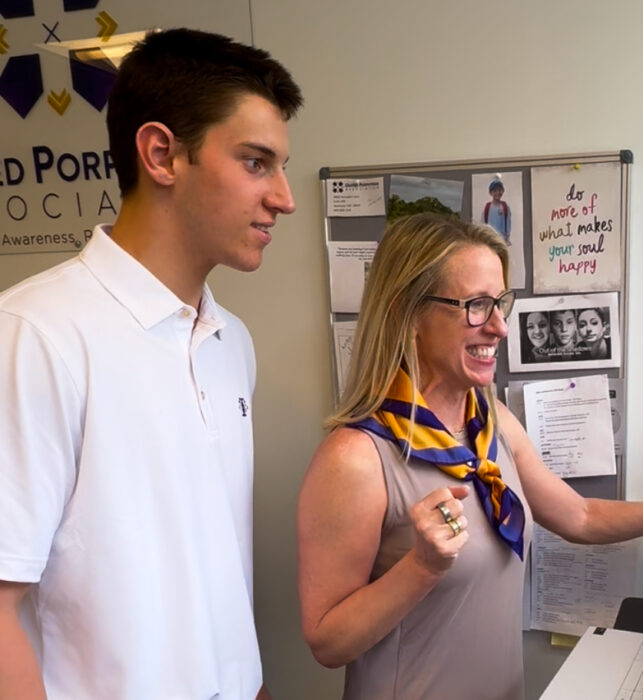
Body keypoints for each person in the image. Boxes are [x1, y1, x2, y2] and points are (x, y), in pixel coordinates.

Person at [0, 28, 302, 700]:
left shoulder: (231, 342)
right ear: (162, 154)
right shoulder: (34, 337)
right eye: (256, 163)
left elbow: (212, 567)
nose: (283, 197)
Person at [297, 213, 643, 700]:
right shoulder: (355, 457)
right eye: (477, 306)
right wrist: (421, 565)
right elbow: (327, 642)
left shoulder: (492, 420)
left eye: (500, 302)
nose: (500, 327)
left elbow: (580, 516)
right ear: (407, 313)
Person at [482, 177, 511, 244]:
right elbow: (483, 223)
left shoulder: (505, 207)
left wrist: (507, 237)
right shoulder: (487, 207)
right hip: (490, 239)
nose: (498, 193)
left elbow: (508, 223)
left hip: (502, 239)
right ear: (490, 193)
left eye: (499, 190)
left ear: (503, 191)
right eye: (495, 191)